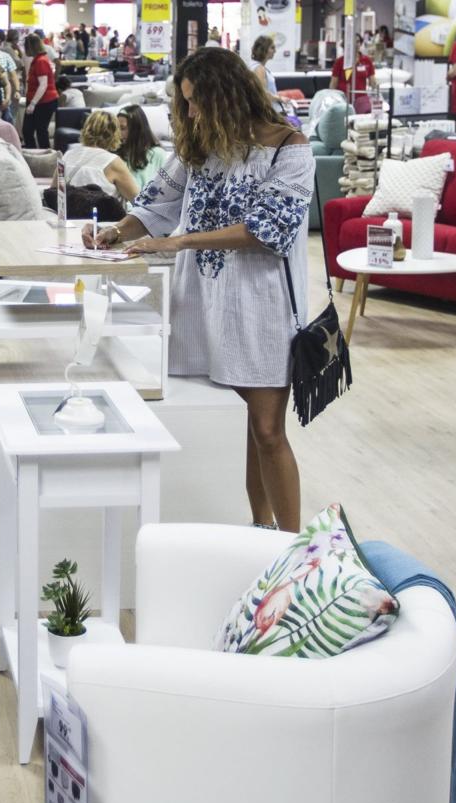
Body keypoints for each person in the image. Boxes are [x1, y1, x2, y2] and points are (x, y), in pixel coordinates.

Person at [84, 47, 314, 532]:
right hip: (203, 302)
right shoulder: (200, 147)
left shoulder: (289, 148)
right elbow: (156, 202)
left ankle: (288, 548)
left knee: (268, 431)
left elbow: (269, 229)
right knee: (241, 426)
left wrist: (181, 239)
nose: (189, 113)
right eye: (184, 103)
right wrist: (115, 231)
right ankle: (259, 529)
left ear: (224, 96)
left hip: (261, 308)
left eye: (194, 101)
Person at [63, 111, 139, 203]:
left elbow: (54, 191)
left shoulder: (67, 155)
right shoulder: (113, 162)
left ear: (86, 128)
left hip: (69, 215)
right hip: (102, 216)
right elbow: (138, 200)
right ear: (114, 133)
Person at [116, 104, 167, 189]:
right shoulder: (116, 155)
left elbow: (165, 188)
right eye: (116, 128)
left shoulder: (157, 154)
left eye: (122, 128)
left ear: (136, 129)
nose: (118, 133)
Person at [22, 32, 58, 149]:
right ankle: (33, 154)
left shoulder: (40, 61)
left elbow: (43, 84)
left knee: (40, 131)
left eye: (26, 46)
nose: (25, 49)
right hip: (38, 100)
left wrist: (33, 103)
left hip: (44, 101)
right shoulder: (38, 60)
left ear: (31, 47)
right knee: (28, 130)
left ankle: (44, 157)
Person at [330, 35, 376, 102]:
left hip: (361, 100)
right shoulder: (340, 62)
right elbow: (333, 84)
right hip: (343, 100)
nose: (356, 44)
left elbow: (373, 82)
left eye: (358, 41)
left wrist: (375, 92)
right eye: (353, 42)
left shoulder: (367, 60)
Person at [249, 35, 285, 113]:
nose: (275, 51)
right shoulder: (259, 69)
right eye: (272, 48)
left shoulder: (254, 66)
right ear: (264, 49)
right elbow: (263, 94)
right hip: (270, 113)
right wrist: (280, 98)